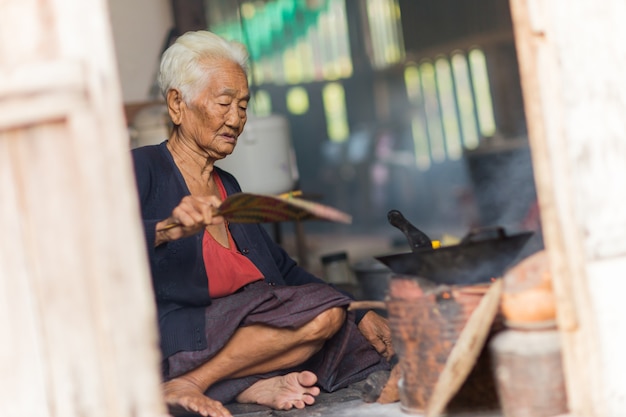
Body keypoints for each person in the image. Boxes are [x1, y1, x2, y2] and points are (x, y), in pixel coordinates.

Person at [131, 30, 395, 417]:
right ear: (177, 104)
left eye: (243, 105)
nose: (236, 119)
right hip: (183, 333)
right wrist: (166, 228)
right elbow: (96, 246)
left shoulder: (229, 185)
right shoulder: (143, 168)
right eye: (224, 102)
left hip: (247, 325)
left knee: (337, 321)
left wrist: (358, 310)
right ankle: (189, 383)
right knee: (323, 315)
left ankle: (245, 384)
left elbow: (284, 269)